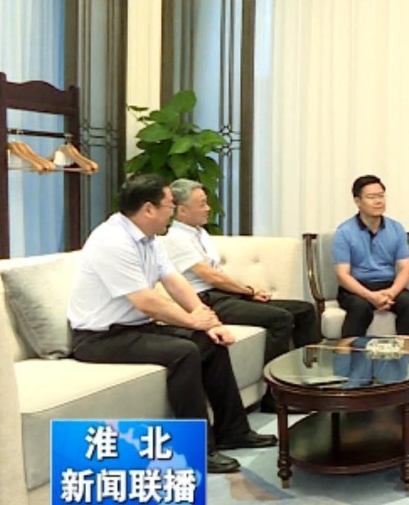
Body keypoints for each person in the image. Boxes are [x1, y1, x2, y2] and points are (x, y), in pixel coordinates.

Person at [67, 174, 277, 475]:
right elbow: (145, 301)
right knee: (184, 352)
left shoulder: (150, 239)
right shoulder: (111, 241)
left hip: (136, 327)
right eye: (169, 206)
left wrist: (208, 321)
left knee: (209, 341)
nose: (172, 212)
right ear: (148, 209)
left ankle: (233, 431)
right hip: (98, 338)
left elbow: (174, 281)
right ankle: (198, 450)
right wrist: (192, 320)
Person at [162, 179, 320, 413]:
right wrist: (247, 291)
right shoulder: (175, 238)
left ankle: (310, 383)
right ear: (182, 210)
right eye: (202, 204)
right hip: (204, 300)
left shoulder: (200, 233)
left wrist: (247, 291)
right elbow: (210, 276)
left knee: (304, 310)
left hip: (222, 295)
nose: (208, 208)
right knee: (280, 318)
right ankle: (275, 397)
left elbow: (219, 274)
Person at [333, 175, 409, 340]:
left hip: (388, 285)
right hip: (356, 288)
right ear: (358, 201)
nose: (378, 201)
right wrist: (370, 296)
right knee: (360, 308)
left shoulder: (396, 228)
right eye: (371, 197)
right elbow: (342, 275)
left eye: (381, 196)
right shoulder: (344, 232)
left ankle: (408, 354)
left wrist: (391, 293)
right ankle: (348, 354)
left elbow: (404, 269)